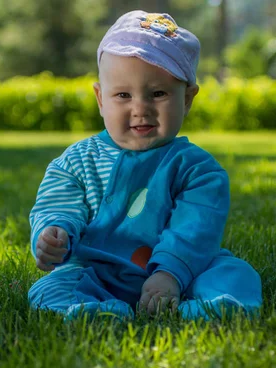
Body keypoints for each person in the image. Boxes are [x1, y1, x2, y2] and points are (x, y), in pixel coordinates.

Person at [27, 10, 263, 320]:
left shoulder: (197, 170)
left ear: (188, 99)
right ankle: (98, 313)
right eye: (123, 94)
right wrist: (54, 233)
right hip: (96, 272)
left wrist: (170, 274)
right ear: (101, 99)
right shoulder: (77, 161)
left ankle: (200, 309)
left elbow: (194, 230)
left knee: (234, 273)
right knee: (48, 289)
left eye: (159, 94)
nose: (141, 109)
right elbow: (57, 206)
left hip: (180, 272)